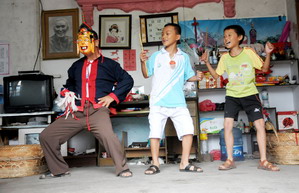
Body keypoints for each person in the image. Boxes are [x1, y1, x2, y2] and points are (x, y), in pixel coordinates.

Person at [39, 23, 134, 179]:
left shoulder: (110, 65)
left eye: (86, 39)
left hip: (97, 110)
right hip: (77, 111)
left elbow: (127, 80)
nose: (82, 43)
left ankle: (122, 168)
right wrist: (66, 92)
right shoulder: (75, 66)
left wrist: (112, 96)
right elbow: (70, 84)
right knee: (47, 136)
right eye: (79, 40)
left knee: (109, 137)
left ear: (96, 42)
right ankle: (59, 169)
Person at [201, 25, 280, 171]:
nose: (226, 39)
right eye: (224, 36)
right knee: (227, 126)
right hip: (232, 95)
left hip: (250, 94)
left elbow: (264, 69)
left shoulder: (248, 52)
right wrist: (206, 62)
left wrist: (268, 53)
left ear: (240, 38)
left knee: (260, 125)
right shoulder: (224, 57)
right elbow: (216, 76)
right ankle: (230, 160)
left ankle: (263, 161)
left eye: (230, 35)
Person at [140, 23, 204, 175]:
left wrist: (198, 77)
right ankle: (155, 164)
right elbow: (146, 74)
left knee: (188, 131)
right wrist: (142, 62)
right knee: (155, 133)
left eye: (168, 33)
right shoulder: (156, 56)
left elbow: (189, 77)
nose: (164, 36)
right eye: (162, 34)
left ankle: (184, 163)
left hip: (178, 102)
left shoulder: (184, 57)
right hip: (158, 102)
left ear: (177, 37)